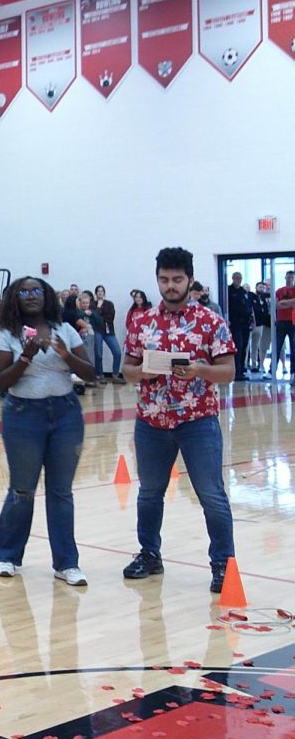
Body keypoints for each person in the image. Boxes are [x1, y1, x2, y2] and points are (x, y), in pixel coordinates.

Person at [121, 247, 237, 593]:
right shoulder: (142, 322)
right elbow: (126, 369)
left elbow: (229, 372)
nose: (170, 286)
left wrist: (199, 369)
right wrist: (142, 371)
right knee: (149, 494)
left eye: (177, 279)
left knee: (211, 495)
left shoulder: (211, 322)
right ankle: (149, 554)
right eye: (164, 279)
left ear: (189, 279)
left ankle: (223, 564)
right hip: (152, 421)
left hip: (197, 420)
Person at [0, 277, 94, 586]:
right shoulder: (7, 335)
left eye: (36, 291)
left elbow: (90, 374)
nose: (31, 296)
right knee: (22, 489)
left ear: (46, 296)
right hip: (23, 416)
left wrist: (65, 354)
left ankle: (67, 563)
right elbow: (1, 382)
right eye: (24, 291)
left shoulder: (65, 330)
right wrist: (27, 355)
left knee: (61, 491)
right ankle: (7, 555)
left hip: (65, 414)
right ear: (15, 299)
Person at [91, 285, 125, 384]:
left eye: (102, 291)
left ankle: (115, 374)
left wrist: (98, 316)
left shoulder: (109, 304)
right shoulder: (92, 304)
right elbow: (92, 318)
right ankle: (100, 375)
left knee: (117, 352)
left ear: (104, 293)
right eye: (98, 291)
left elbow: (110, 316)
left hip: (108, 330)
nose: (100, 293)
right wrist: (97, 317)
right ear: (96, 293)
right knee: (98, 353)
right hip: (97, 330)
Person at [225, 272, 254, 381]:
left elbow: (248, 306)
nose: (238, 280)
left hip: (245, 323)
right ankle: (236, 371)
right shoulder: (228, 291)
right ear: (233, 278)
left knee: (244, 346)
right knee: (238, 345)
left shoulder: (243, 292)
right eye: (237, 278)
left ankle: (241, 370)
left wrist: (251, 320)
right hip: (235, 323)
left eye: (240, 278)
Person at [249, 281, 271, 375]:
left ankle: (254, 365)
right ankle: (246, 365)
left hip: (260, 325)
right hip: (251, 325)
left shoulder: (263, 299)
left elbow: (265, 311)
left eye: (263, 288)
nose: (261, 289)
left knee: (256, 346)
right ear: (256, 287)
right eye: (260, 287)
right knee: (247, 347)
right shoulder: (252, 297)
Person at [277, 271, 295, 381]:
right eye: (288, 277)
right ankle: (272, 371)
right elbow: (277, 306)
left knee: (293, 348)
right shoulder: (279, 291)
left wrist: (284, 302)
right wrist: (290, 303)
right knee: (277, 347)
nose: (289, 279)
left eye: (291, 277)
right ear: (285, 277)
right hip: (281, 322)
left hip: (293, 322)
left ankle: (293, 372)